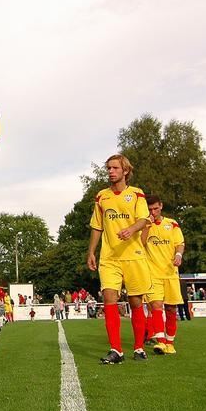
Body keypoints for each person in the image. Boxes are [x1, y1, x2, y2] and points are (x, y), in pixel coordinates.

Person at [86, 154, 152, 364]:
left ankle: (139, 348)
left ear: (125, 171)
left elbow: (143, 219)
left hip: (133, 256)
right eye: (108, 168)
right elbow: (97, 226)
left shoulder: (136, 194)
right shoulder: (101, 197)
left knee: (135, 301)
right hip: (109, 257)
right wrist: (91, 252)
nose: (110, 171)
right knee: (109, 299)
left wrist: (130, 230)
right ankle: (116, 350)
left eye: (115, 168)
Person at [141, 194, 186, 356]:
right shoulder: (144, 224)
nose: (153, 212)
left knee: (171, 309)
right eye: (150, 209)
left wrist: (179, 255)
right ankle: (160, 342)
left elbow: (179, 244)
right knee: (156, 306)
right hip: (152, 274)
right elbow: (142, 242)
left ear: (161, 206)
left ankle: (170, 342)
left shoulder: (172, 224)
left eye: (155, 208)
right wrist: (147, 225)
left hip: (170, 273)